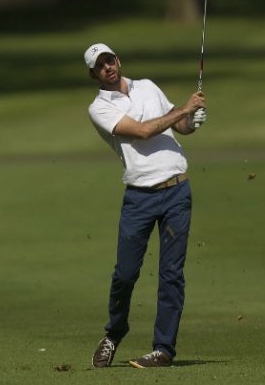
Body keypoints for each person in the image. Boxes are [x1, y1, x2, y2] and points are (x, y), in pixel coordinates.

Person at [84, 42, 207, 369]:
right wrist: (184, 109)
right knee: (125, 274)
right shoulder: (99, 108)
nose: (108, 67)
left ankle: (163, 349)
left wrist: (193, 119)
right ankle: (115, 332)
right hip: (139, 196)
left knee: (171, 274)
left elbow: (179, 127)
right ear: (94, 75)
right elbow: (140, 132)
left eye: (110, 60)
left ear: (118, 60)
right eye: (100, 66)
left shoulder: (149, 87)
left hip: (177, 190)